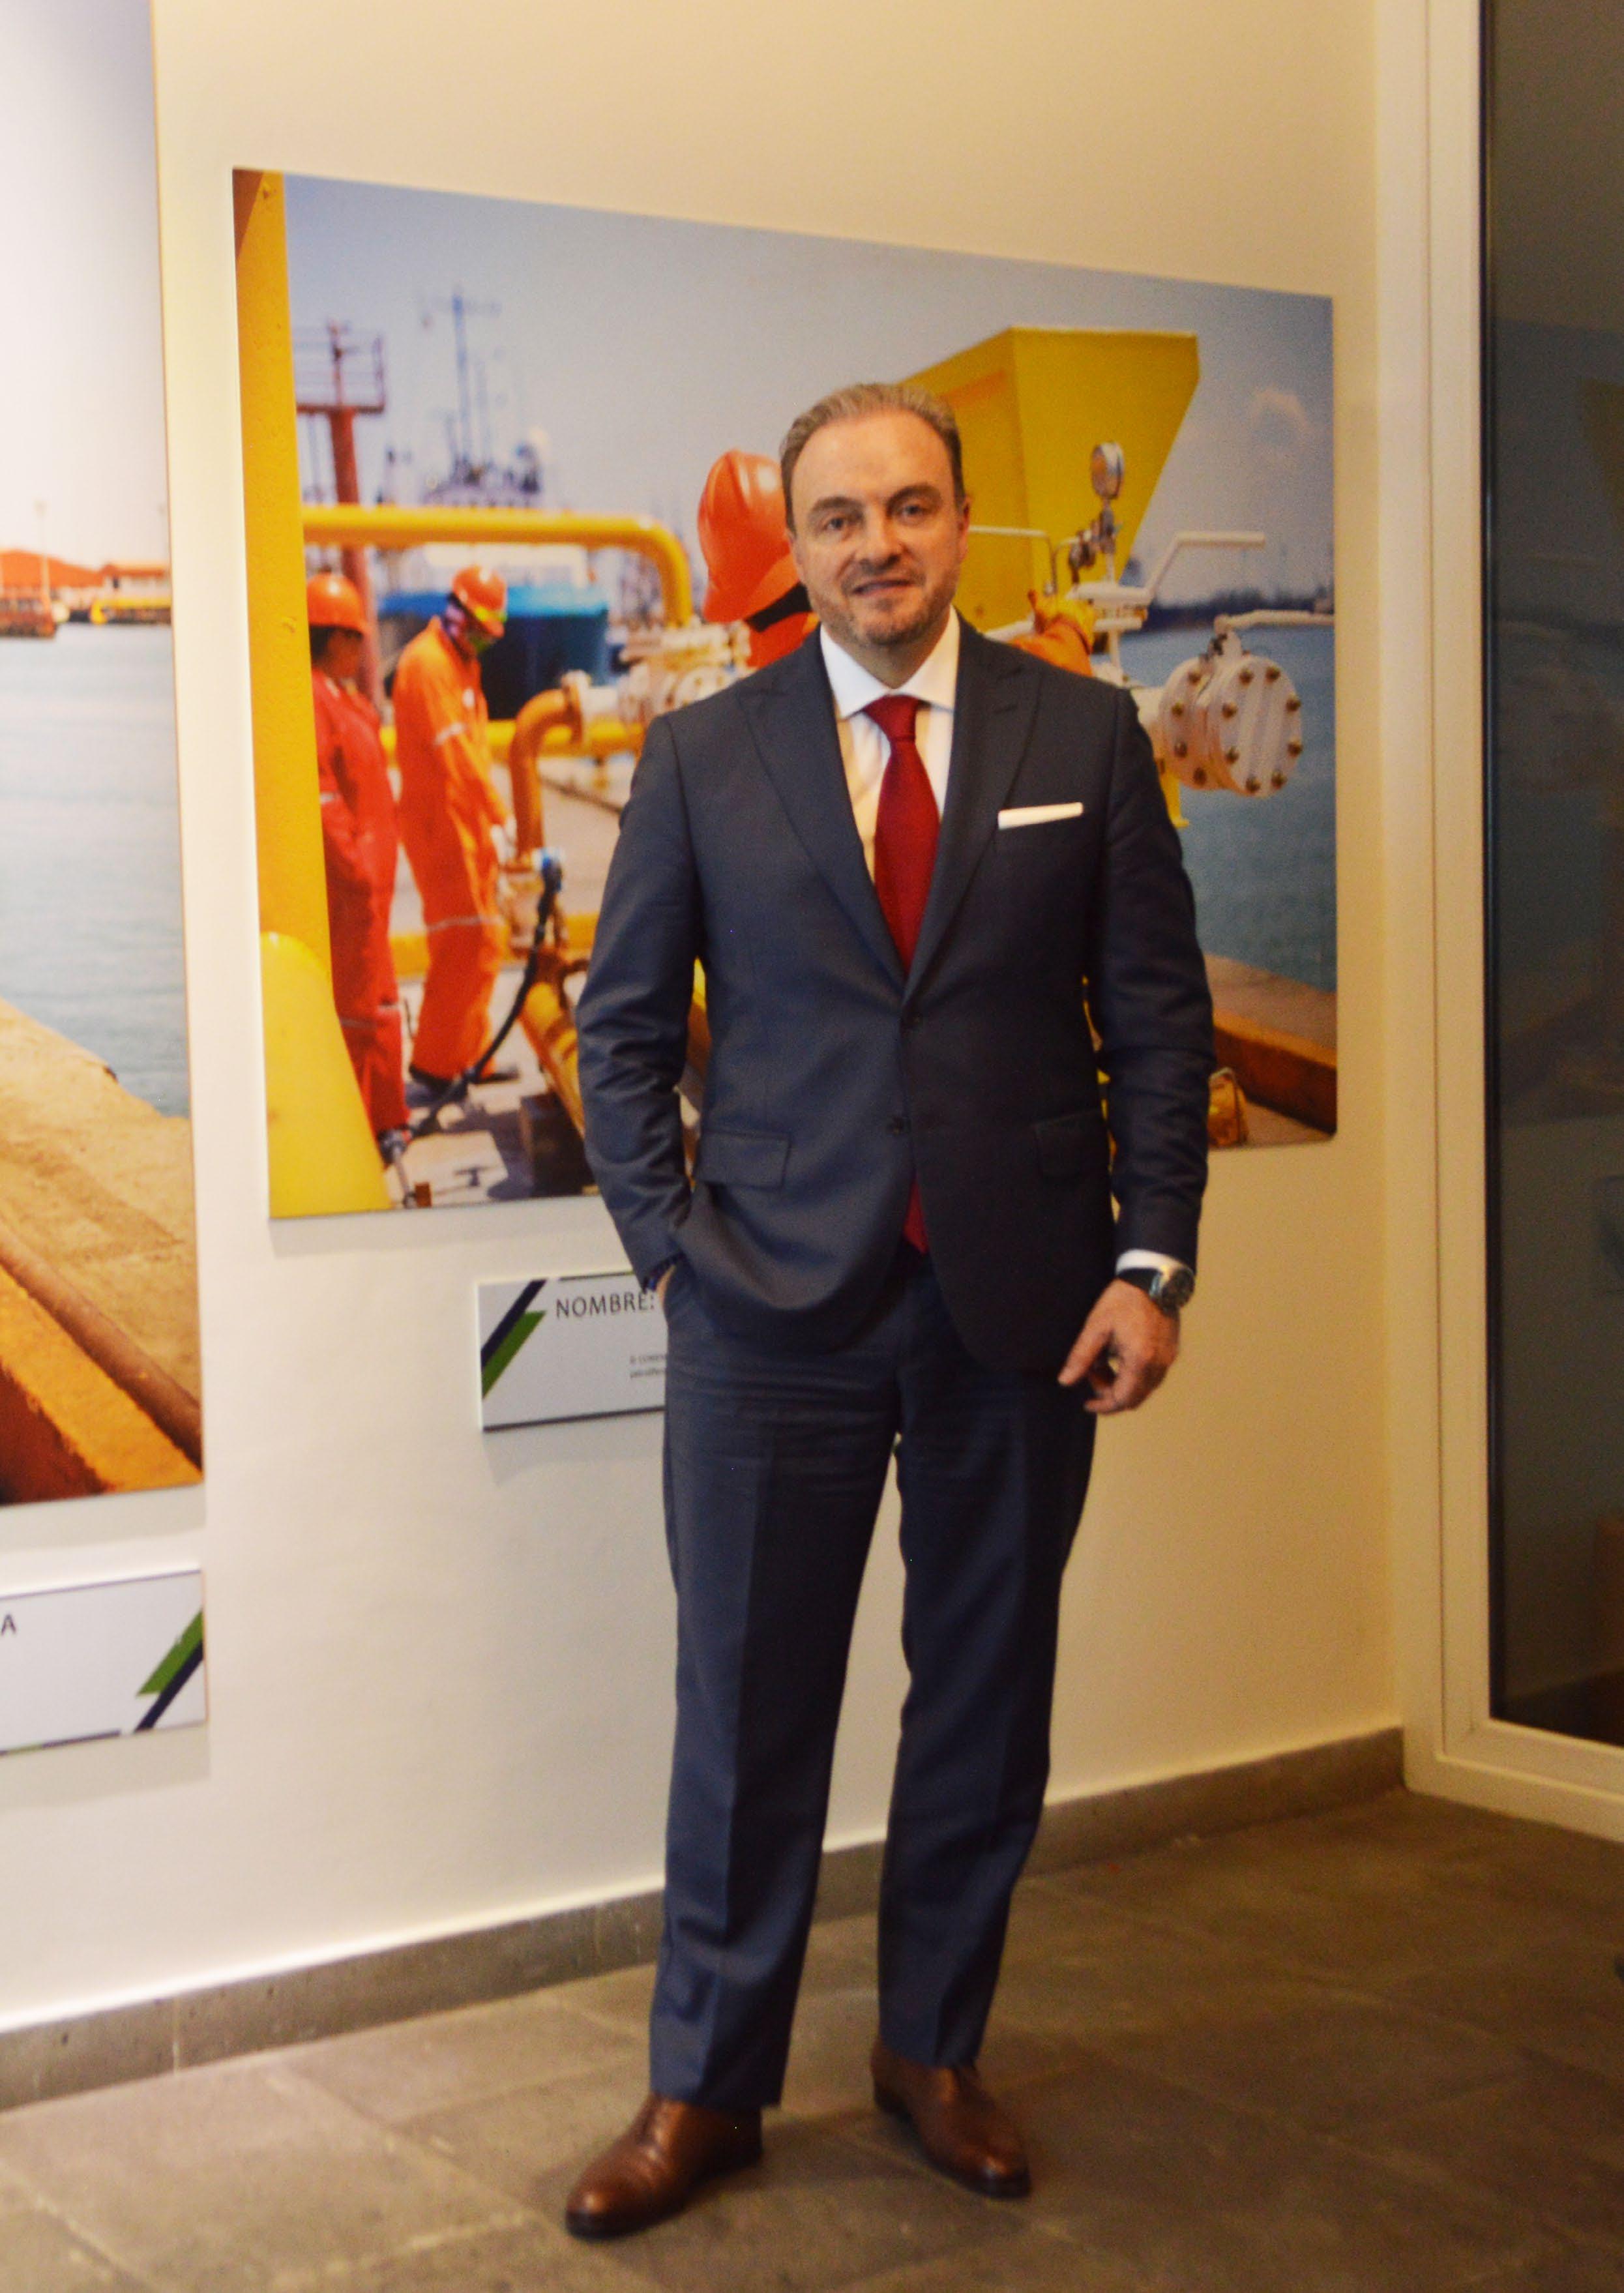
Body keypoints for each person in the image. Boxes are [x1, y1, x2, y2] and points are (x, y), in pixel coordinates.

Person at [572, 382, 1213, 2239]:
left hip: (1021, 1305)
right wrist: (669, 1256)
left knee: (984, 1699)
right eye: (838, 517)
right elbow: (622, 1036)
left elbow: (1154, 1020)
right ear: (797, 544)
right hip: (764, 1309)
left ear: (956, 519)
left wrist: (1149, 1260)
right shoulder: (704, 754)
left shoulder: (1081, 734)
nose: (876, 544)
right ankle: (706, 2083)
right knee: (744, 1707)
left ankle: (933, 2050)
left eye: (909, 506)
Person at [391, 565, 511, 1086]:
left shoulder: (461, 665)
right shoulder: (428, 665)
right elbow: (456, 757)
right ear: (460, 614)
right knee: (460, 943)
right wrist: (501, 816)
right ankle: (436, 1063)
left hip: (466, 822)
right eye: (480, 632)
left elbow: (473, 757)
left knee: (485, 939)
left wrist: (489, 822)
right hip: (439, 825)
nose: (484, 644)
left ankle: (471, 1056)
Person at [306, 571, 407, 1138]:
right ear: (332, 638)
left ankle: (388, 1118)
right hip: (353, 888)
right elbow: (323, 796)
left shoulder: (344, 699)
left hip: (370, 885)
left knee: (381, 1002)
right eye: (355, 638)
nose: (362, 650)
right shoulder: (314, 700)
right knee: (358, 1008)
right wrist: (357, 870)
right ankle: (359, 1127)